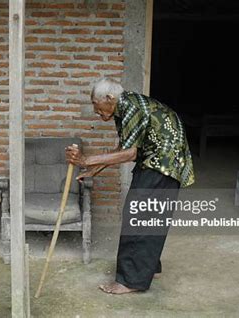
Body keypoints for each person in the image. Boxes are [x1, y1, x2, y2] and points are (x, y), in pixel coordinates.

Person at [66, 77, 195, 294]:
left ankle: (129, 281)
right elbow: (123, 146)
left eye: (97, 106)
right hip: (162, 164)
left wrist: (86, 160)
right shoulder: (123, 107)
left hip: (161, 164)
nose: (97, 112)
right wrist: (94, 170)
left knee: (137, 216)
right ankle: (148, 267)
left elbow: (129, 153)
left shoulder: (130, 106)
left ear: (109, 98)